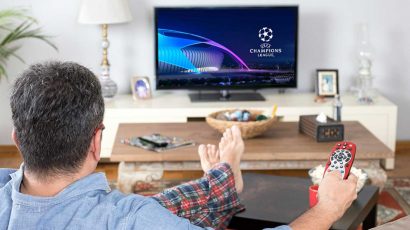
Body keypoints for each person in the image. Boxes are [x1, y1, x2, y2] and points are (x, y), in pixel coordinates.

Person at [0, 61, 357, 230]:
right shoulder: (131, 219)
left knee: (166, 204)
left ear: (17, 140)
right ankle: (225, 180)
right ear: (97, 142)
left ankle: (221, 180)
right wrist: (327, 208)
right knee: (157, 209)